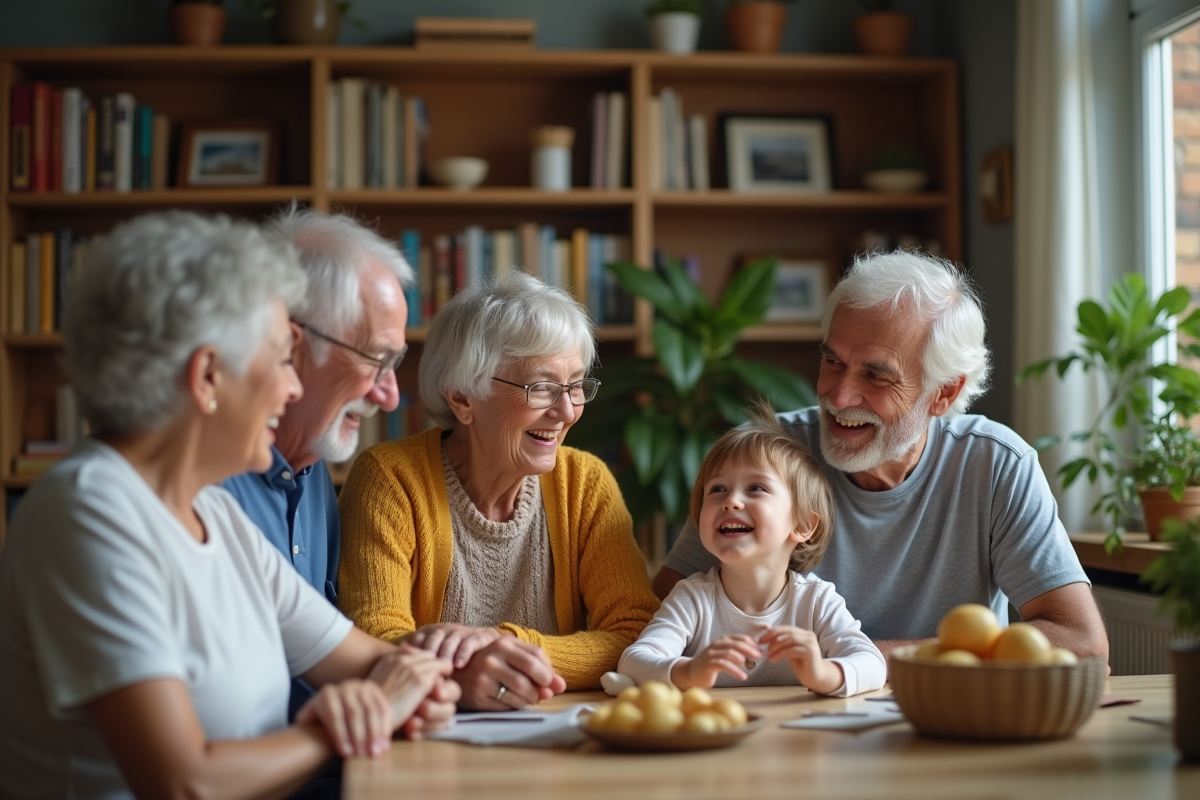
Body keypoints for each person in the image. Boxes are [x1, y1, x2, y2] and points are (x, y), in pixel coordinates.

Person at [0, 212, 459, 800]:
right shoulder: (89, 513)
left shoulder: (211, 517)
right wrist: (344, 725)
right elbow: (184, 781)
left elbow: (371, 664)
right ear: (208, 376)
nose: (290, 387)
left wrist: (422, 676)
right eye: (277, 359)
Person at [653, 250, 1109, 665]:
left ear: (942, 393)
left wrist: (861, 661)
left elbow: (1080, 639)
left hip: (945, 723)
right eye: (832, 362)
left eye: (875, 375)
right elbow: (661, 614)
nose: (838, 394)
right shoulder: (763, 458)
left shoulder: (995, 465)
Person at [338, 271, 660, 710]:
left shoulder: (585, 483)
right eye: (542, 388)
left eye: (576, 385)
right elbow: (372, 637)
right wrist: (468, 675)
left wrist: (503, 646)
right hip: (423, 742)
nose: (566, 411)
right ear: (463, 399)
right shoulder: (390, 480)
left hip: (558, 738)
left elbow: (635, 633)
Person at [222, 206, 414, 719]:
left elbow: (330, 650)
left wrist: (447, 666)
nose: (390, 395)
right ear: (291, 341)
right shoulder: (199, 490)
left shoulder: (313, 476)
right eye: (377, 358)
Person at [619, 404, 886, 696]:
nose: (731, 501)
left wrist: (822, 673)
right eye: (717, 489)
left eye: (756, 488)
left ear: (803, 524)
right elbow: (633, 662)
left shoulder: (816, 601)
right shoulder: (692, 598)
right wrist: (690, 670)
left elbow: (873, 664)